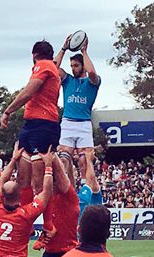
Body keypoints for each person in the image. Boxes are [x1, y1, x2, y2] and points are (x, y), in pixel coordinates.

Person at [0, 41, 61, 203]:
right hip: (33, 124)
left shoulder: (44, 65)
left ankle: (48, 225)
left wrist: (8, 111)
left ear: (35, 56)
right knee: (23, 178)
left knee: (38, 182)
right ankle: (25, 222)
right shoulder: (51, 66)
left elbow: (28, 92)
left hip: (43, 124)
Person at [53, 33, 102, 204]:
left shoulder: (92, 82)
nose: (73, 68)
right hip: (67, 123)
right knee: (64, 160)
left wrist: (84, 52)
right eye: (71, 65)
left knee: (84, 161)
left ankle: (87, 195)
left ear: (82, 65)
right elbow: (52, 67)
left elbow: (92, 72)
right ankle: (68, 195)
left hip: (84, 125)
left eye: (75, 65)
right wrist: (64, 49)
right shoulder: (67, 81)